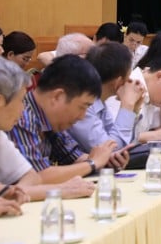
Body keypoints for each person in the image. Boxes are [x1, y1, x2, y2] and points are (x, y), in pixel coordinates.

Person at [8, 55, 124, 183]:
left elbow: (74, 157)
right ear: (57, 96)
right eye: (82, 107)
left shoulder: (50, 119)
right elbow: (37, 176)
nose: (82, 116)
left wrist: (107, 160)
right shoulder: (20, 116)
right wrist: (93, 163)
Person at [0, 59, 95, 205]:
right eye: (20, 100)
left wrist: (13, 194)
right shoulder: (23, 119)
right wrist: (62, 190)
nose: (23, 109)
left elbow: (31, 177)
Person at [110, 43, 161, 143]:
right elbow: (113, 138)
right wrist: (156, 135)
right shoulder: (129, 85)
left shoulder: (153, 94)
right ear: (159, 76)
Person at [69, 42, 142, 155]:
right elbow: (109, 149)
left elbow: (123, 145)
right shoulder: (83, 105)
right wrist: (127, 105)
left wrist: (134, 109)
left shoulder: (100, 102)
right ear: (118, 82)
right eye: (129, 75)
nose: (130, 80)